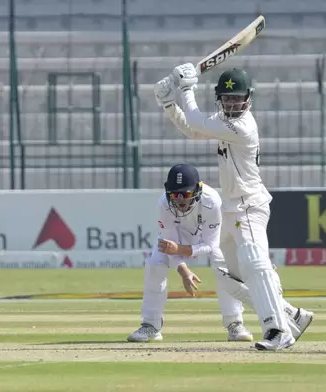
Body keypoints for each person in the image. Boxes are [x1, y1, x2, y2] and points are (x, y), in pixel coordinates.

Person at [153, 65, 313, 351]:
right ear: (220, 99)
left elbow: (196, 119)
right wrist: (168, 103)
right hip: (230, 209)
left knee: (254, 262)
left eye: (237, 98)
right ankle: (293, 315)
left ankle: (278, 330)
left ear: (248, 98)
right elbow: (192, 129)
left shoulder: (242, 126)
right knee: (226, 277)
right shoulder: (223, 120)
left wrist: (187, 88)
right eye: (227, 98)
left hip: (249, 205)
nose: (231, 103)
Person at [127, 164, 314, 345]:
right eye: (175, 195)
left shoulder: (212, 200)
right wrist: (184, 271)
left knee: (225, 270)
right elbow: (169, 246)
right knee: (155, 263)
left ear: (198, 190)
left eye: (186, 194)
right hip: (180, 238)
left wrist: (180, 250)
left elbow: (210, 244)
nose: (181, 200)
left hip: (211, 236)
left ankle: (235, 324)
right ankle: (150, 325)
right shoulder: (163, 204)